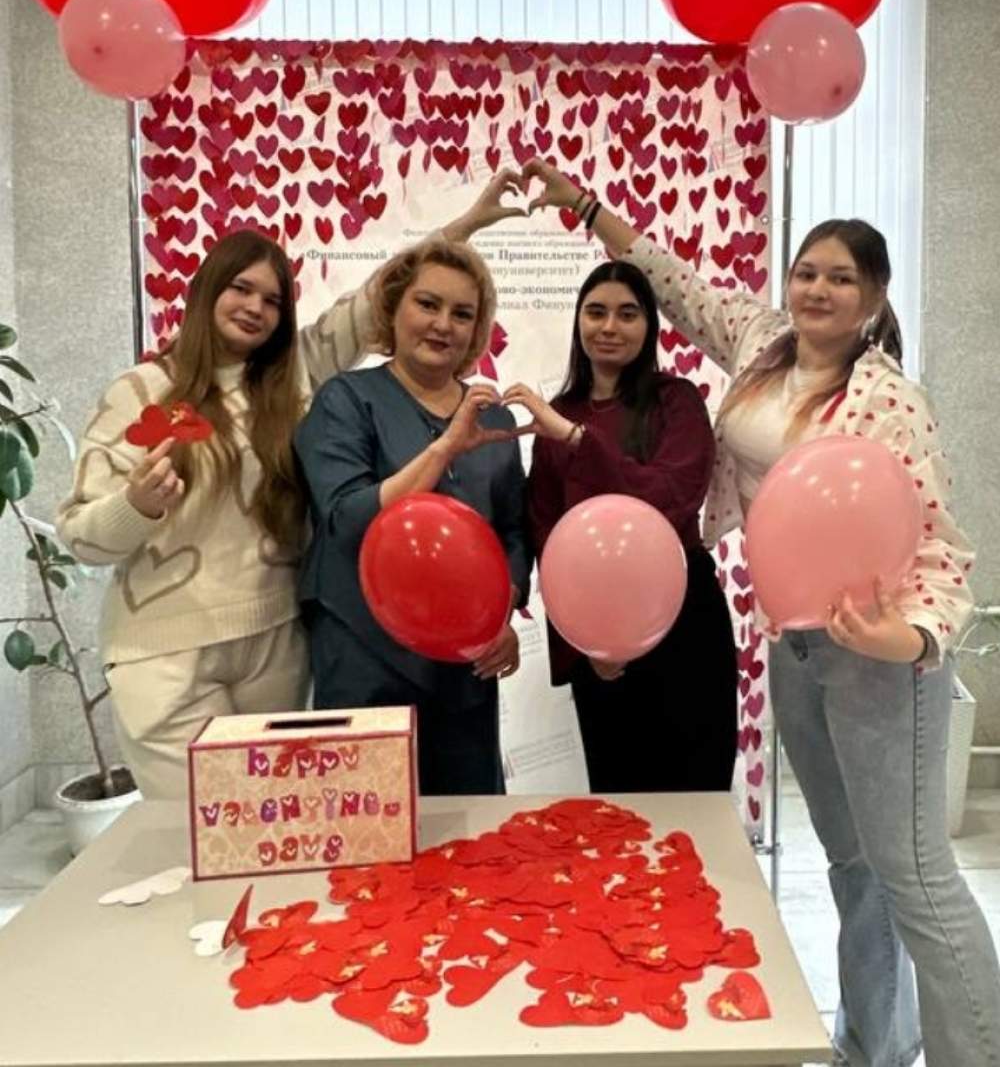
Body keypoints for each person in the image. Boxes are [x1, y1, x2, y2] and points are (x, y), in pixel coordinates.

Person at [521, 158, 1000, 1067]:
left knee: (915, 876)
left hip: (880, 650)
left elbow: (941, 540)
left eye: (840, 278)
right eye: (806, 271)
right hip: (798, 645)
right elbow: (674, 282)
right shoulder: (764, 344)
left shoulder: (891, 399)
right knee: (853, 865)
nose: (817, 288)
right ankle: (873, 1045)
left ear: (874, 298)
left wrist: (909, 635)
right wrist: (583, 205)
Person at [56, 175, 524, 801]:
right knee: (195, 830)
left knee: (273, 826)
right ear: (206, 290)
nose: (255, 307)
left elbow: (377, 298)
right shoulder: (140, 391)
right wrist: (135, 507)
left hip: (274, 643)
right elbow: (80, 533)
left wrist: (463, 226)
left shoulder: (293, 382)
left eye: (273, 300)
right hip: (169, 651)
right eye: (240, 288)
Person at [294, 226, 531, 797]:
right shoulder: (344, 400)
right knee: (371, 832)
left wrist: (503, 615)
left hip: (465, 672)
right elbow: (347, 518)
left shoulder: (494, 417)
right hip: (365, 659)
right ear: (393, 308)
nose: (443, 324)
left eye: (462, 313)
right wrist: (443, 449)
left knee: (470, 832)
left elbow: (512, 531)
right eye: (428, 304)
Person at [508, 259, 736, 794]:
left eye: (628, 314)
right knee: (618, 802)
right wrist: (586, 638)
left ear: (649, 325)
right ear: (578, 322)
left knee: (696, 795)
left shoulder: (675, 401)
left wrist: (577, 440)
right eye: (596, 312)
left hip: (682, 620)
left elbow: (669, 498)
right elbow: (546, 529)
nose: (609, 327)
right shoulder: (560, 412)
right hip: (595, 634)